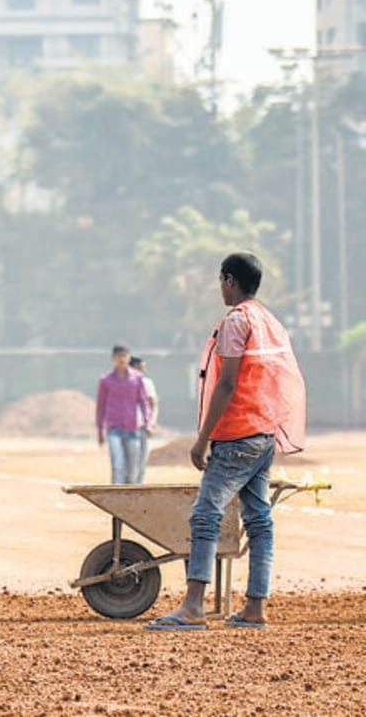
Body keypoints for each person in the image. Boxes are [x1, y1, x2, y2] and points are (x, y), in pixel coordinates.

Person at [146, 252, 307, 630]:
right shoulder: (269, 320)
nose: (220, 287)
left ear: (229, 280)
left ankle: (192, 607)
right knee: (259, 520)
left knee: (205, 514)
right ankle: (254, 607)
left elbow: (228, 382)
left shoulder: (237, 321)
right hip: (264, 433)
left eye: (221, 280)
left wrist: (201, 440)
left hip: (236, 434)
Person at [95, 345, 152, 484]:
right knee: (118, 465)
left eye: (124, 356)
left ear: (129, 357)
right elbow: (101, 405)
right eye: (118, 356)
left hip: (132, 429)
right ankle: (117, 499)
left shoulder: (137, 378)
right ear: (113, 358)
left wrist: (148, 422)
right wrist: (100, 430)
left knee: (133, 469)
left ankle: (130, 500)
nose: (122, 359)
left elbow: (144, 401)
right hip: (114, 429)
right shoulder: (106, 380)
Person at [131, 355, 159, 476]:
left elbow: (153, 404)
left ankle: (137, 487)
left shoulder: (147, 383)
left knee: (142, 461)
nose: (143, 371)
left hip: (143, 427)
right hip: (128, 428)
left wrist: (151, 423)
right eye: (140, 368)